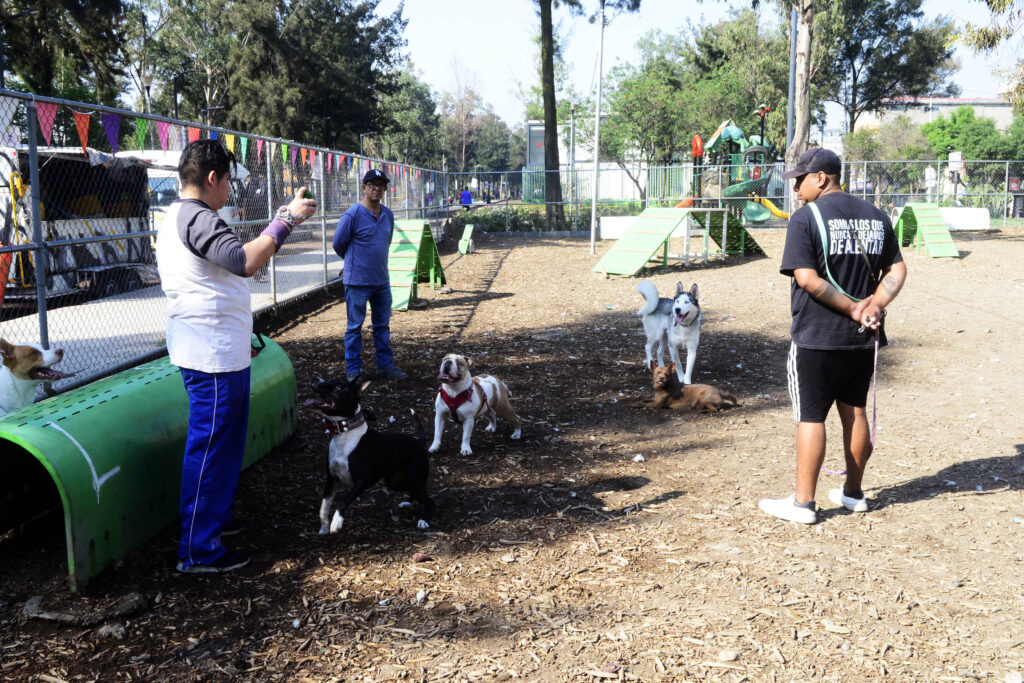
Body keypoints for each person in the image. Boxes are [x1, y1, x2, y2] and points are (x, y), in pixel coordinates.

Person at [156, 139, 316, 572]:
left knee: (222, 447)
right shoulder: (197, 217)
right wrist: (286, 220)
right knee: (210, 449)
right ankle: (198, 549)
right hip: (210, 357)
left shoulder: (180, 215)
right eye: (228, 180)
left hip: (217, 349)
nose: (230, 189)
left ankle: (213, 524)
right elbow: (243, 261)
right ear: (212, 178)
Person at [759, 147, 907, 525]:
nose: (795, 189)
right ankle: (853, 494)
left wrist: (853, 307)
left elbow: (807, 279)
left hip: (816, 336)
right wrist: (872, 306)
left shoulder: (805, 218)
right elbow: (897, 270)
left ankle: (803, 504)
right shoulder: (877, 216)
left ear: (821, 178)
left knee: (811, 417)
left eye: (800, 180)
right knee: (854, 411)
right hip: (863, 338)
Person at [333, 168, 407, 382]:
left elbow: (386, 241)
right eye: (372, 185)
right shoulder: (353, 214)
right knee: (354, 327)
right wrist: (351, 263)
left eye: (381, 185)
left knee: (382, 326)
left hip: (381, 280)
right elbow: (339, 244)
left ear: (385, 189)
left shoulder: (388, 215)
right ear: (364, 188)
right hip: (357, 282)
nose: (377, 188)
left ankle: (385, 366)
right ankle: (354, 371)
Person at [240, 172, 271, 281]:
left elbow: (245, 203)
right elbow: (275, 201)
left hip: (252, 219)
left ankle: (257, 269)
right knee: (265, 243)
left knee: (254, 243)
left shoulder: (249, 185)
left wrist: (244, 221)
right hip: (265, 218)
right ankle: (262, 269)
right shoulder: (268, 183)